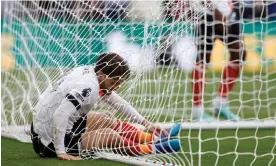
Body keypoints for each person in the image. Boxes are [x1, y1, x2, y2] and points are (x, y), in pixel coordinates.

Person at [31, 52, 181, 160]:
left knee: (107, 118)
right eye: (114, 82)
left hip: (43, 128)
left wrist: (146, 123)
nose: (117, 87)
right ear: (102, 75)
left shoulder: (90, 72)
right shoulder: (89, 86)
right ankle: (151, 148)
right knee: (110, 135)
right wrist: (61, 152)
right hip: (48, 142)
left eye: (119, 83)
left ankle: (151, 138)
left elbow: (117, 101)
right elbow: (60, 115)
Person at [191, 1, 246, 121]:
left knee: (239, 53)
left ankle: (221, 103)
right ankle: (197, 111)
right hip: (207, 13)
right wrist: (216, 9)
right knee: (203, 58)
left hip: (229, 11)